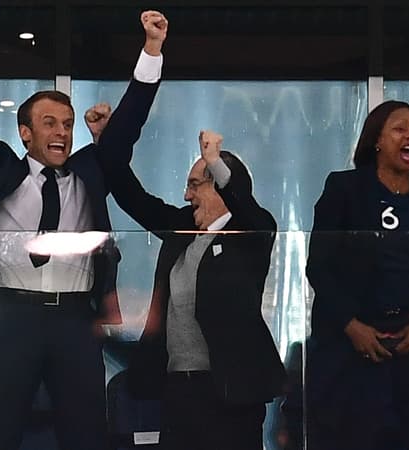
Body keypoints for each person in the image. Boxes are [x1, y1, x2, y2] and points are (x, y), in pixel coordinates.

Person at [0, 1, 166, 449]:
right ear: (25, 133)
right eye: (49, 123)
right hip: (11, 316)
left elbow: (127, 126)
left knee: (86, 435)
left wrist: (152, 48)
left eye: (68, 125)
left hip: (76, 321)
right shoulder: (1, 169)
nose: (61, 133)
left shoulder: (90, 172)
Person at [95, 125, 286, 450]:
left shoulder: (251, 230)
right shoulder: (183, 229)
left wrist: (214, 160)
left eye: (195, 185)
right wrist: (107, 143)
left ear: (219, 187)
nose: (187, 195)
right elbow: (133, 198)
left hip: (230, 389)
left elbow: (243, 202)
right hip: (178, 389)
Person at [305, 100, 409, 449]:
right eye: (400, 129)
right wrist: (351, 325)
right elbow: (319, 266)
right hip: (355, 343)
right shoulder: (344, 188)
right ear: (377, 139)